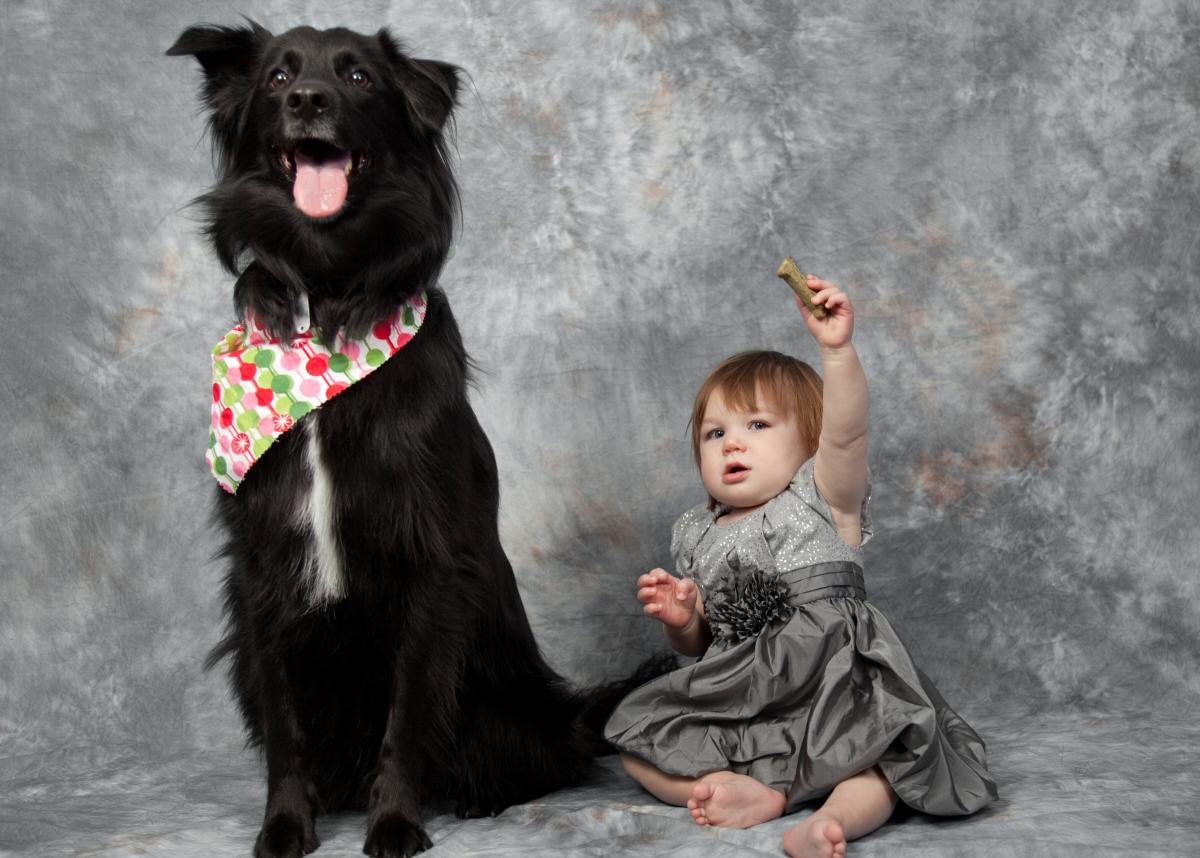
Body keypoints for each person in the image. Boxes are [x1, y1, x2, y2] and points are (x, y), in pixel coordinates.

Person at [604, 276, 997, 858]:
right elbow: (699, 648)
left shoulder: (821, 497)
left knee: (880, 758)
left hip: (835, 679)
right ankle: (745, 789)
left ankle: (828, 820)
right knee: (636, 740)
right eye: (716, 434)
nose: (733, 444)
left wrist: (836, 351)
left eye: (757, 425)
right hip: (745, 691)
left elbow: (848, 433)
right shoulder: (695, 532)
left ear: (810, 443)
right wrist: (682, 618)